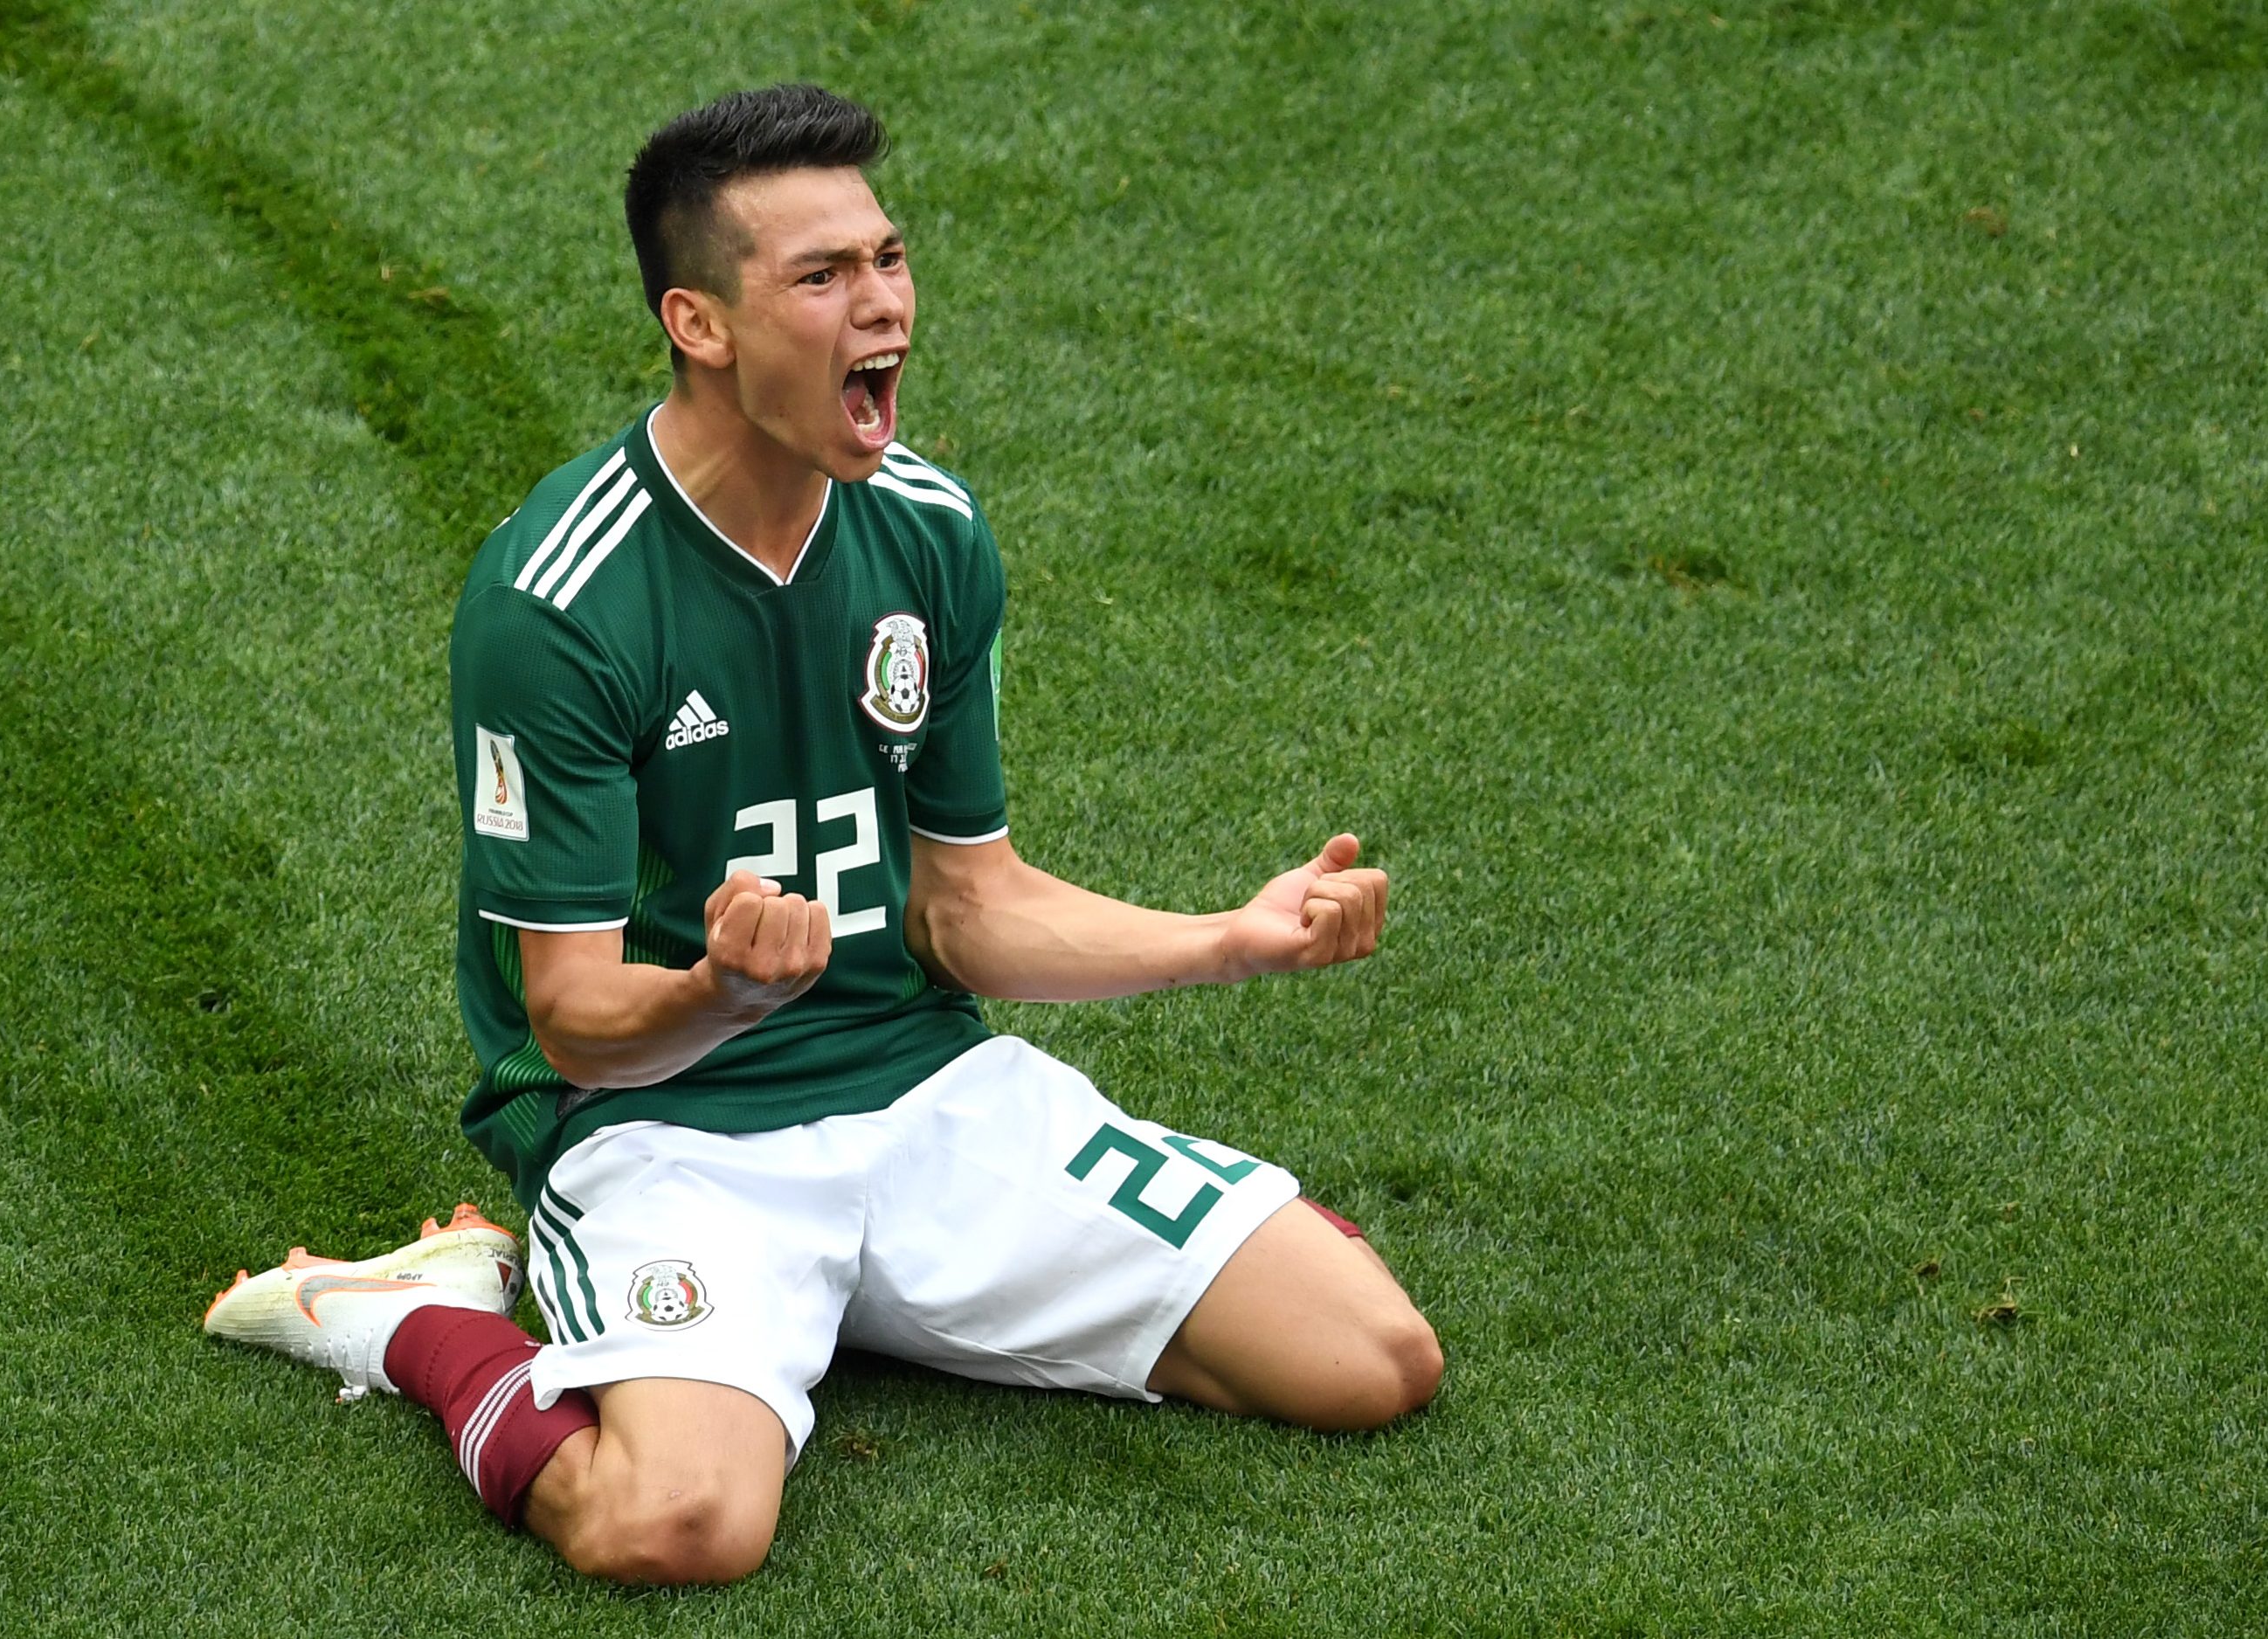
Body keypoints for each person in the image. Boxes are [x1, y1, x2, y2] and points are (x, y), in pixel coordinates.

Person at [204, 83, 1439, 1586]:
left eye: (889, 259)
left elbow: (963, 909)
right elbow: (572, 1025)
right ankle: (428, 1322)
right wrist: (720, 991)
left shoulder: (926, 530)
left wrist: (1228, 942)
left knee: (1374, 1360)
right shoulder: (559, 602)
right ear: (700, 324)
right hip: (667, 1135)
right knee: (674, 1529)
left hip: (920, 1092)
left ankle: (829, 1307)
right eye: (822, 276)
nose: (884, 307)